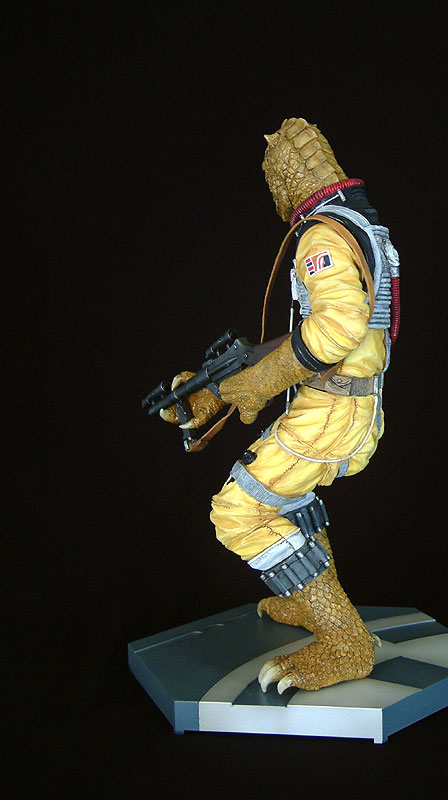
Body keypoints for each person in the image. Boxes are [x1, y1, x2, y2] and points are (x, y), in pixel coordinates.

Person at [161, 118, 399, 693]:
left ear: (285, 176)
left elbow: (336, 330)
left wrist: (260, 384)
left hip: (335, 409)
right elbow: (315, 335)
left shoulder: (321, 236)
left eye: (272, 178)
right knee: (288, 497)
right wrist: (222, 385)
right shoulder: (356, 221)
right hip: (341, 401)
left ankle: (344, 641)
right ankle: (309, 597)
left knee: (239, 512)